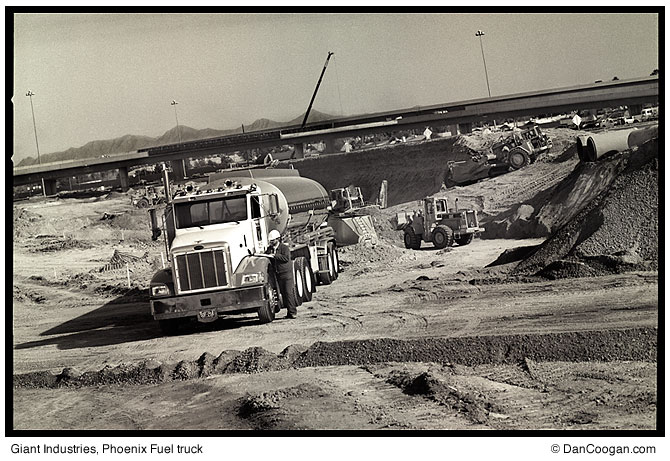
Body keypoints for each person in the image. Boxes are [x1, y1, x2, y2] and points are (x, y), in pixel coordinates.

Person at [266, 229, 298, 319]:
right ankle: (289, 312)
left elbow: (286, 258)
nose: (271, 242)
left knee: (289, 293)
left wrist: (275, 256)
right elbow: (266, 255)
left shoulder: (284, 248)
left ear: (277, 239)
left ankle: (293, 312)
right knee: (283, 294)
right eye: (270, 241)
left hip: (287, 274)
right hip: (278, 275)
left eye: (273, 241)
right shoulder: (270, 249)